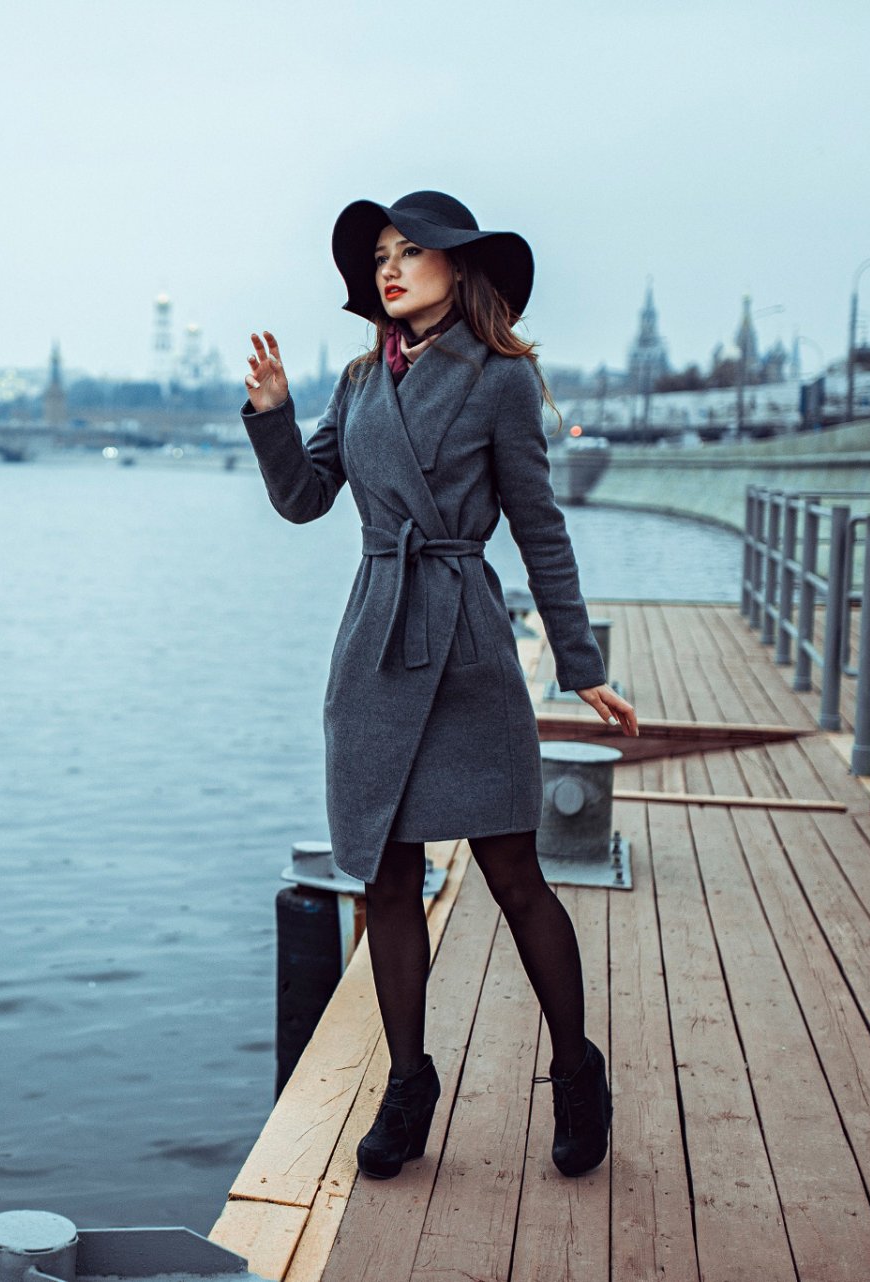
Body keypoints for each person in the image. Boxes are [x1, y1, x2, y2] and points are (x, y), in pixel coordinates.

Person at [240, 190, 639, 1181]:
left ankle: (576, 1068)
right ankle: (408, 1083)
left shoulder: (501, 380)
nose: (389, 267)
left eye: (411, 251)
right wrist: (273, 414)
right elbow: (301, 500)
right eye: (379, 254)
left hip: (465, 641)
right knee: (383, 874)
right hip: (375, 645)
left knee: (513, 872)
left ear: (460, 269)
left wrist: (580, 665)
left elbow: (540, 524)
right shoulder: (356, 380)